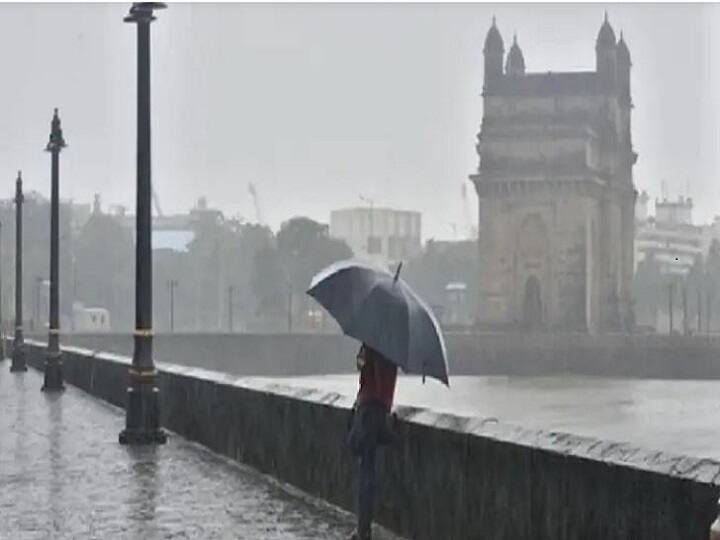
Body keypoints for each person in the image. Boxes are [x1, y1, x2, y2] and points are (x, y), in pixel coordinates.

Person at [347, 343, 398, 540]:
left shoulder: (373, 342)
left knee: (366, 474)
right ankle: (365, 527)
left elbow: (363, 368)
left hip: (369, 410)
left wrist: (363, 354)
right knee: (372, 471)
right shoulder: (394, 347)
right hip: (382, 409)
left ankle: (363, 530)